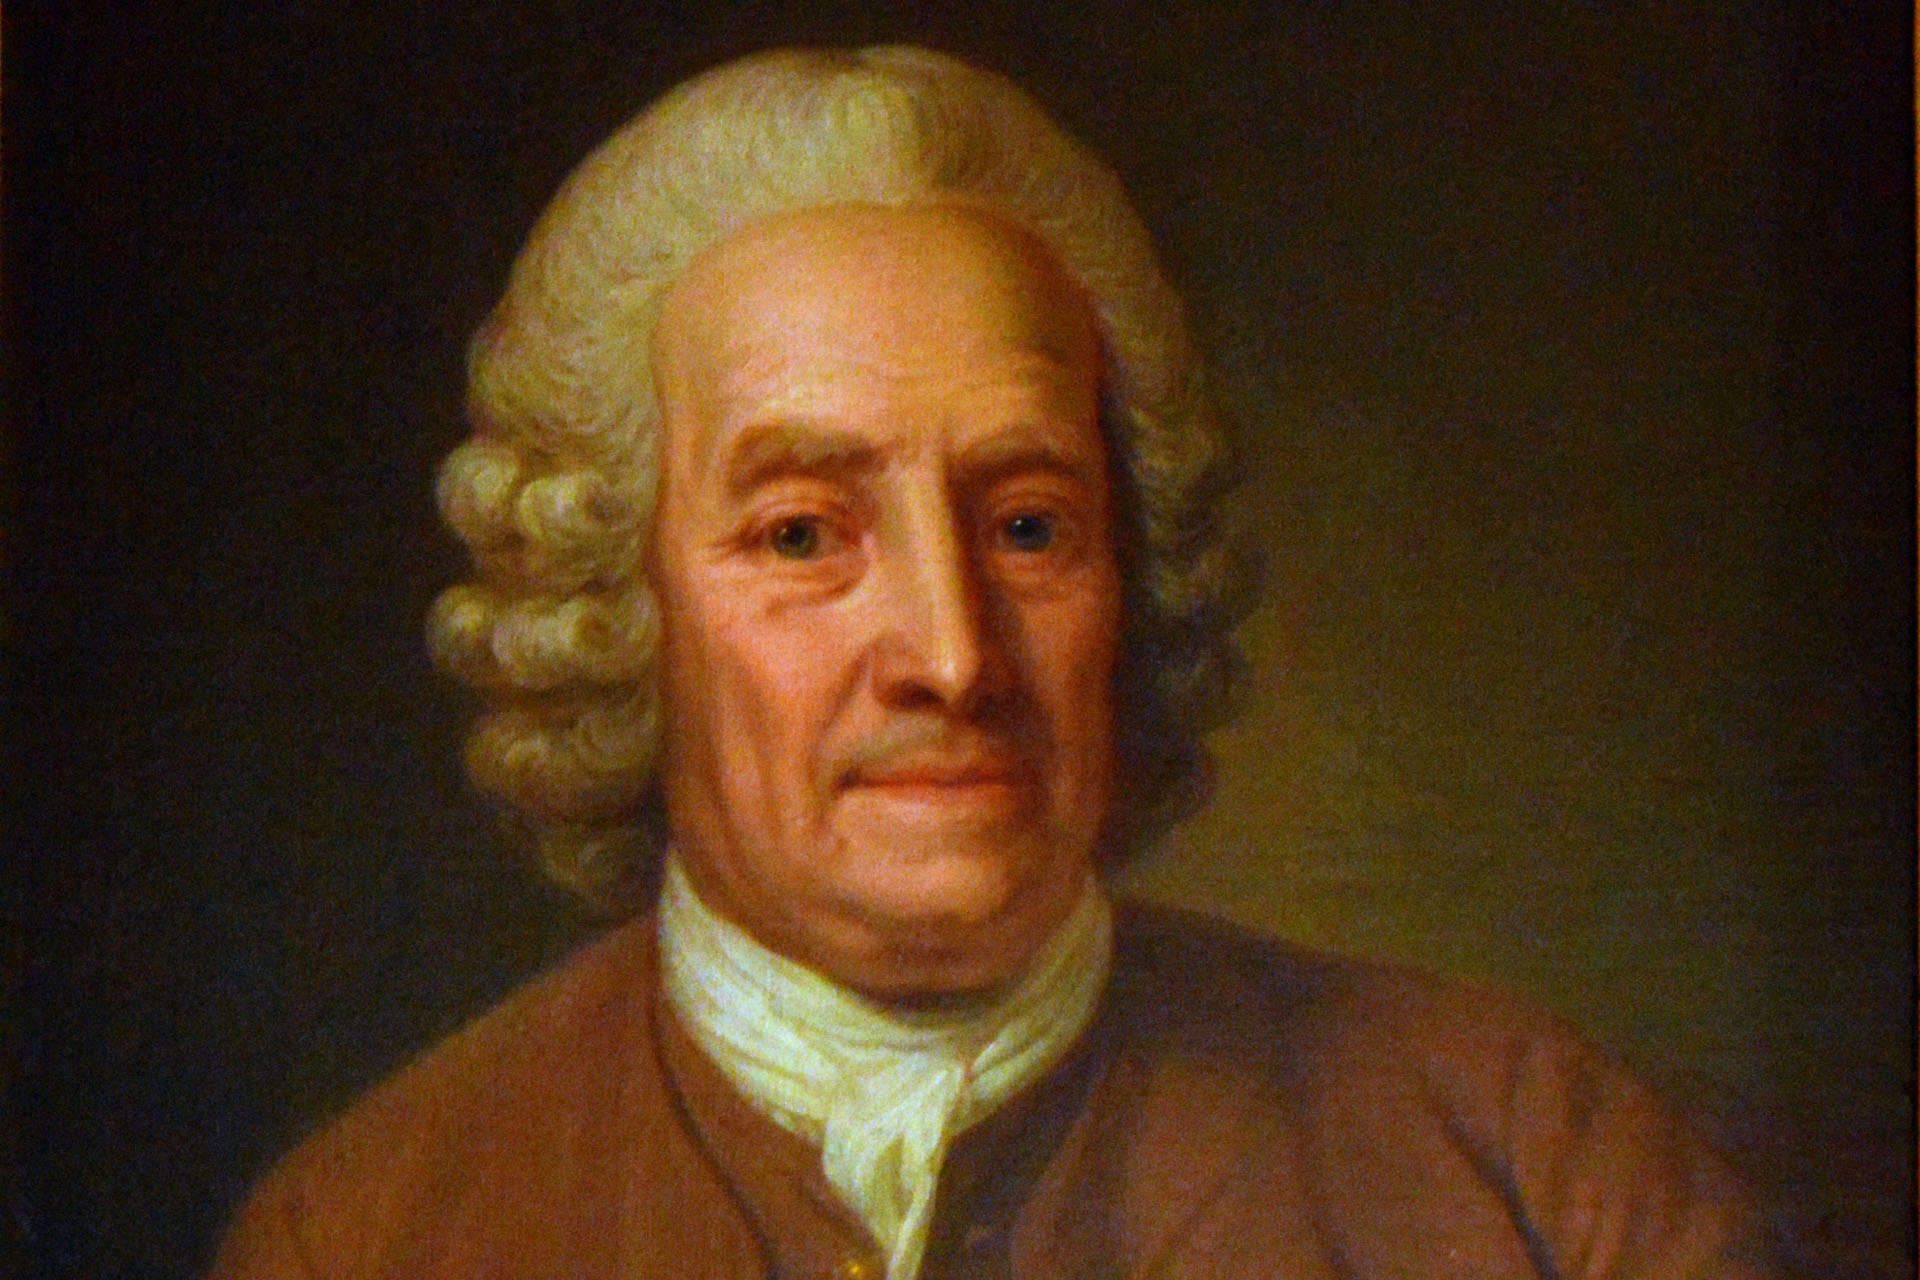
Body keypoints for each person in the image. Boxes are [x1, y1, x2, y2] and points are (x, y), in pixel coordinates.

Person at [208, 45, 1771, 1279]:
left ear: (1132, 573)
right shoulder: (366, 1234)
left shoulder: (1534, 1163)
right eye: (805, 535)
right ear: (620, 608)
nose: (954, 656)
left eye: (1028, 526)